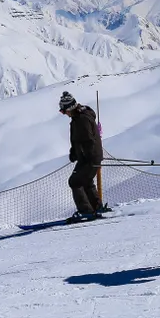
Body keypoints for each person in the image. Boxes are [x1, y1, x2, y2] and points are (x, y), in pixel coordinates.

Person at [59, 91, 103, 223]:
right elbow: (78, 140)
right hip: (92, 156)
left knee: (75, 182)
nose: (64, 114)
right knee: (86, 181)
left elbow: (87, 140)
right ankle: (96, 208)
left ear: (70, 108)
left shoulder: (81, 119)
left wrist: (85, 156)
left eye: (63, 111)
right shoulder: (80, 116)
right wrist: (74, 152)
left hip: (89, 157)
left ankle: (85, 211)